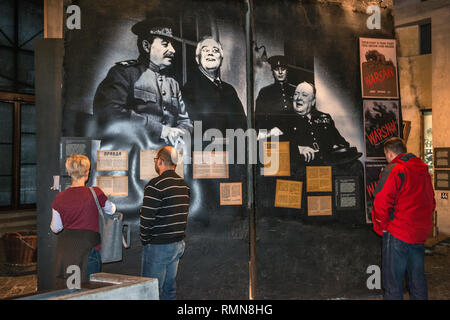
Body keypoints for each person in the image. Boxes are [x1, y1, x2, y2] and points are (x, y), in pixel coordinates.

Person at [93, 17, 193, 147]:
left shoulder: (172, 84)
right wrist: (161, 130)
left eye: (172, 45)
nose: (172, 50)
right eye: (165, 44)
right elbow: (110, 112)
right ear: (146, 46)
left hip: (165, 157)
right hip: (131, 156)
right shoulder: (124, 72)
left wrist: (179, 133)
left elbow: (185, 121)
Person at [371, 137, 435, 300]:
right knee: (417, 280)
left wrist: (382, 227)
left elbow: (380, 202)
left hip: (398, 233)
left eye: (386, 155)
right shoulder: (422, 169)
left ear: (389, 153)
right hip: (418, 235)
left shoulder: (394, 169)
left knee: (393, 285)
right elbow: (431, 201)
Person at [51, 154, 116, 287]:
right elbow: (111, 210)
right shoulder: (96, 193)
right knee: (89, 291)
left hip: (66, 252)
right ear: (87, 173)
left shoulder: (59, 197)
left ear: (69, 172)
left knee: (70, 290)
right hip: (89, 252)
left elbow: (55, 228)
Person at [140, 146, 190, 300]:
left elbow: (147, 219)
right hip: (177, 244)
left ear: (160, 161)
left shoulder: (155, 185)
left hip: (158, 246)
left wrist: (145, 239)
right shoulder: (184, 185)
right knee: (169, 290)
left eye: (156, 160)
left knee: (151, 291)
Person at [182, 36, 246, 134]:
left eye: (215, 50)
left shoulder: (230, 90)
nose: (210, 53)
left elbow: (243, 125)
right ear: (197, 59)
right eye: (205, 50)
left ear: (221, 59)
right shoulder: (189, 89)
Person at [283, 81, 355, 164]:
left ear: (313, 101)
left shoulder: (325, 117)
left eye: (304, 95)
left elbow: (341, 143)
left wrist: (337, 147)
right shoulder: (285, 119)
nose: (299, 97)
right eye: (296, 94)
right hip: (303, 166)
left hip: (327, 164)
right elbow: (276, 144)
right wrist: (299, 149)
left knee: (356, 165)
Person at [255, 55, 296, 138]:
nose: (280, 72)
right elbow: (259, 118)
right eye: (277, 69)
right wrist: (264, 135)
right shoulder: (265, 92)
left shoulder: (296, 90)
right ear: (272, 71)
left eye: (283, 69)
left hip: (294, 136)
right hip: (274, 137)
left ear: (287, 71)